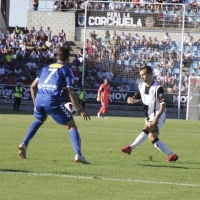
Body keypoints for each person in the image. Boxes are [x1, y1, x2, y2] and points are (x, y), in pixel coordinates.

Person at [18, 47, 90, 164]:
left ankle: (24, 143)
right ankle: (78, 155)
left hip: (40, 99)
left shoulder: (45, 68)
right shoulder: (66, 70)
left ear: (56, 57)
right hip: (52, 100)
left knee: (40, 118)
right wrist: (80, 109)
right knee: (71, 126)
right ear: (67, 58)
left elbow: (32, 86)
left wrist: (35, 103)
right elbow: (70, 91)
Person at [121, 66, 178, 162]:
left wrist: (156, 118)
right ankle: (171, 155)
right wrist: (130, 99)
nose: (142, 77)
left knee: (147, 127)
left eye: (143, 74)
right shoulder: (140, 86)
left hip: (158, 114)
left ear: (150, 74)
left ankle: (131, 147)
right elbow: (136, 98)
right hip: (148, 116)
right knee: (152, 137)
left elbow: (163, 104)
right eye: (140, 75)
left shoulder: (158, 88)